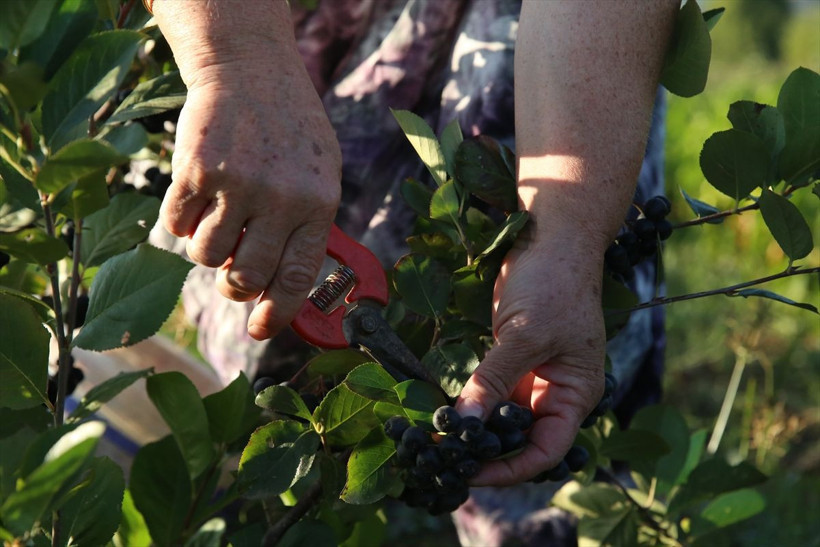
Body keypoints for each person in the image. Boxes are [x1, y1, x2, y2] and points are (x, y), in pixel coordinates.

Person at [148, 0, 677, 543]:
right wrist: (237, 65)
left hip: (566, 68)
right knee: (266, 313)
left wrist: (566, 240)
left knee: (540, 368)